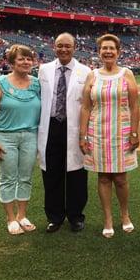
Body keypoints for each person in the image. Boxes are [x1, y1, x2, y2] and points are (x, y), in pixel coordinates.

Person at [79, 34, 140, 238]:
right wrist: (83, 135)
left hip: (121, 132)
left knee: (121, 178)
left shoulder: (127, 73)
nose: (108, 51)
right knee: (103, 177)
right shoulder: (92, 75)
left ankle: (124, 215)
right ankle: (108, 219)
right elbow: (86, 107)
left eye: (112, 48)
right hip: (97, 132)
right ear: (99, 52)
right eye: (104, 48)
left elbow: (134, 106)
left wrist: (133, 132)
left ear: (118, 51)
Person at [37, 33, 91, 233]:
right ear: (54, 47)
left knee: (77, 173)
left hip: (74, 126)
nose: (63, 49)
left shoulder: (85, 71)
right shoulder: (43, 70)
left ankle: (76, 216)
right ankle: (55, 216)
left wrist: (85, 133)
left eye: (67, 46)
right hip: (50, 127)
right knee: (51, 173)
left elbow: (88, 104)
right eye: (60, 46)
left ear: (74, 47)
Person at [0, 44, 41, 235]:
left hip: (30, 136)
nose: (26, 62)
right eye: (21, 59)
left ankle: (22, 215)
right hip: (5, 137)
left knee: (25, 177)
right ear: (12, 62)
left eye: (29, 59)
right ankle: (10, 218)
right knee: (8, 178)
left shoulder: (36, 83)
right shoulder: (0, 83)